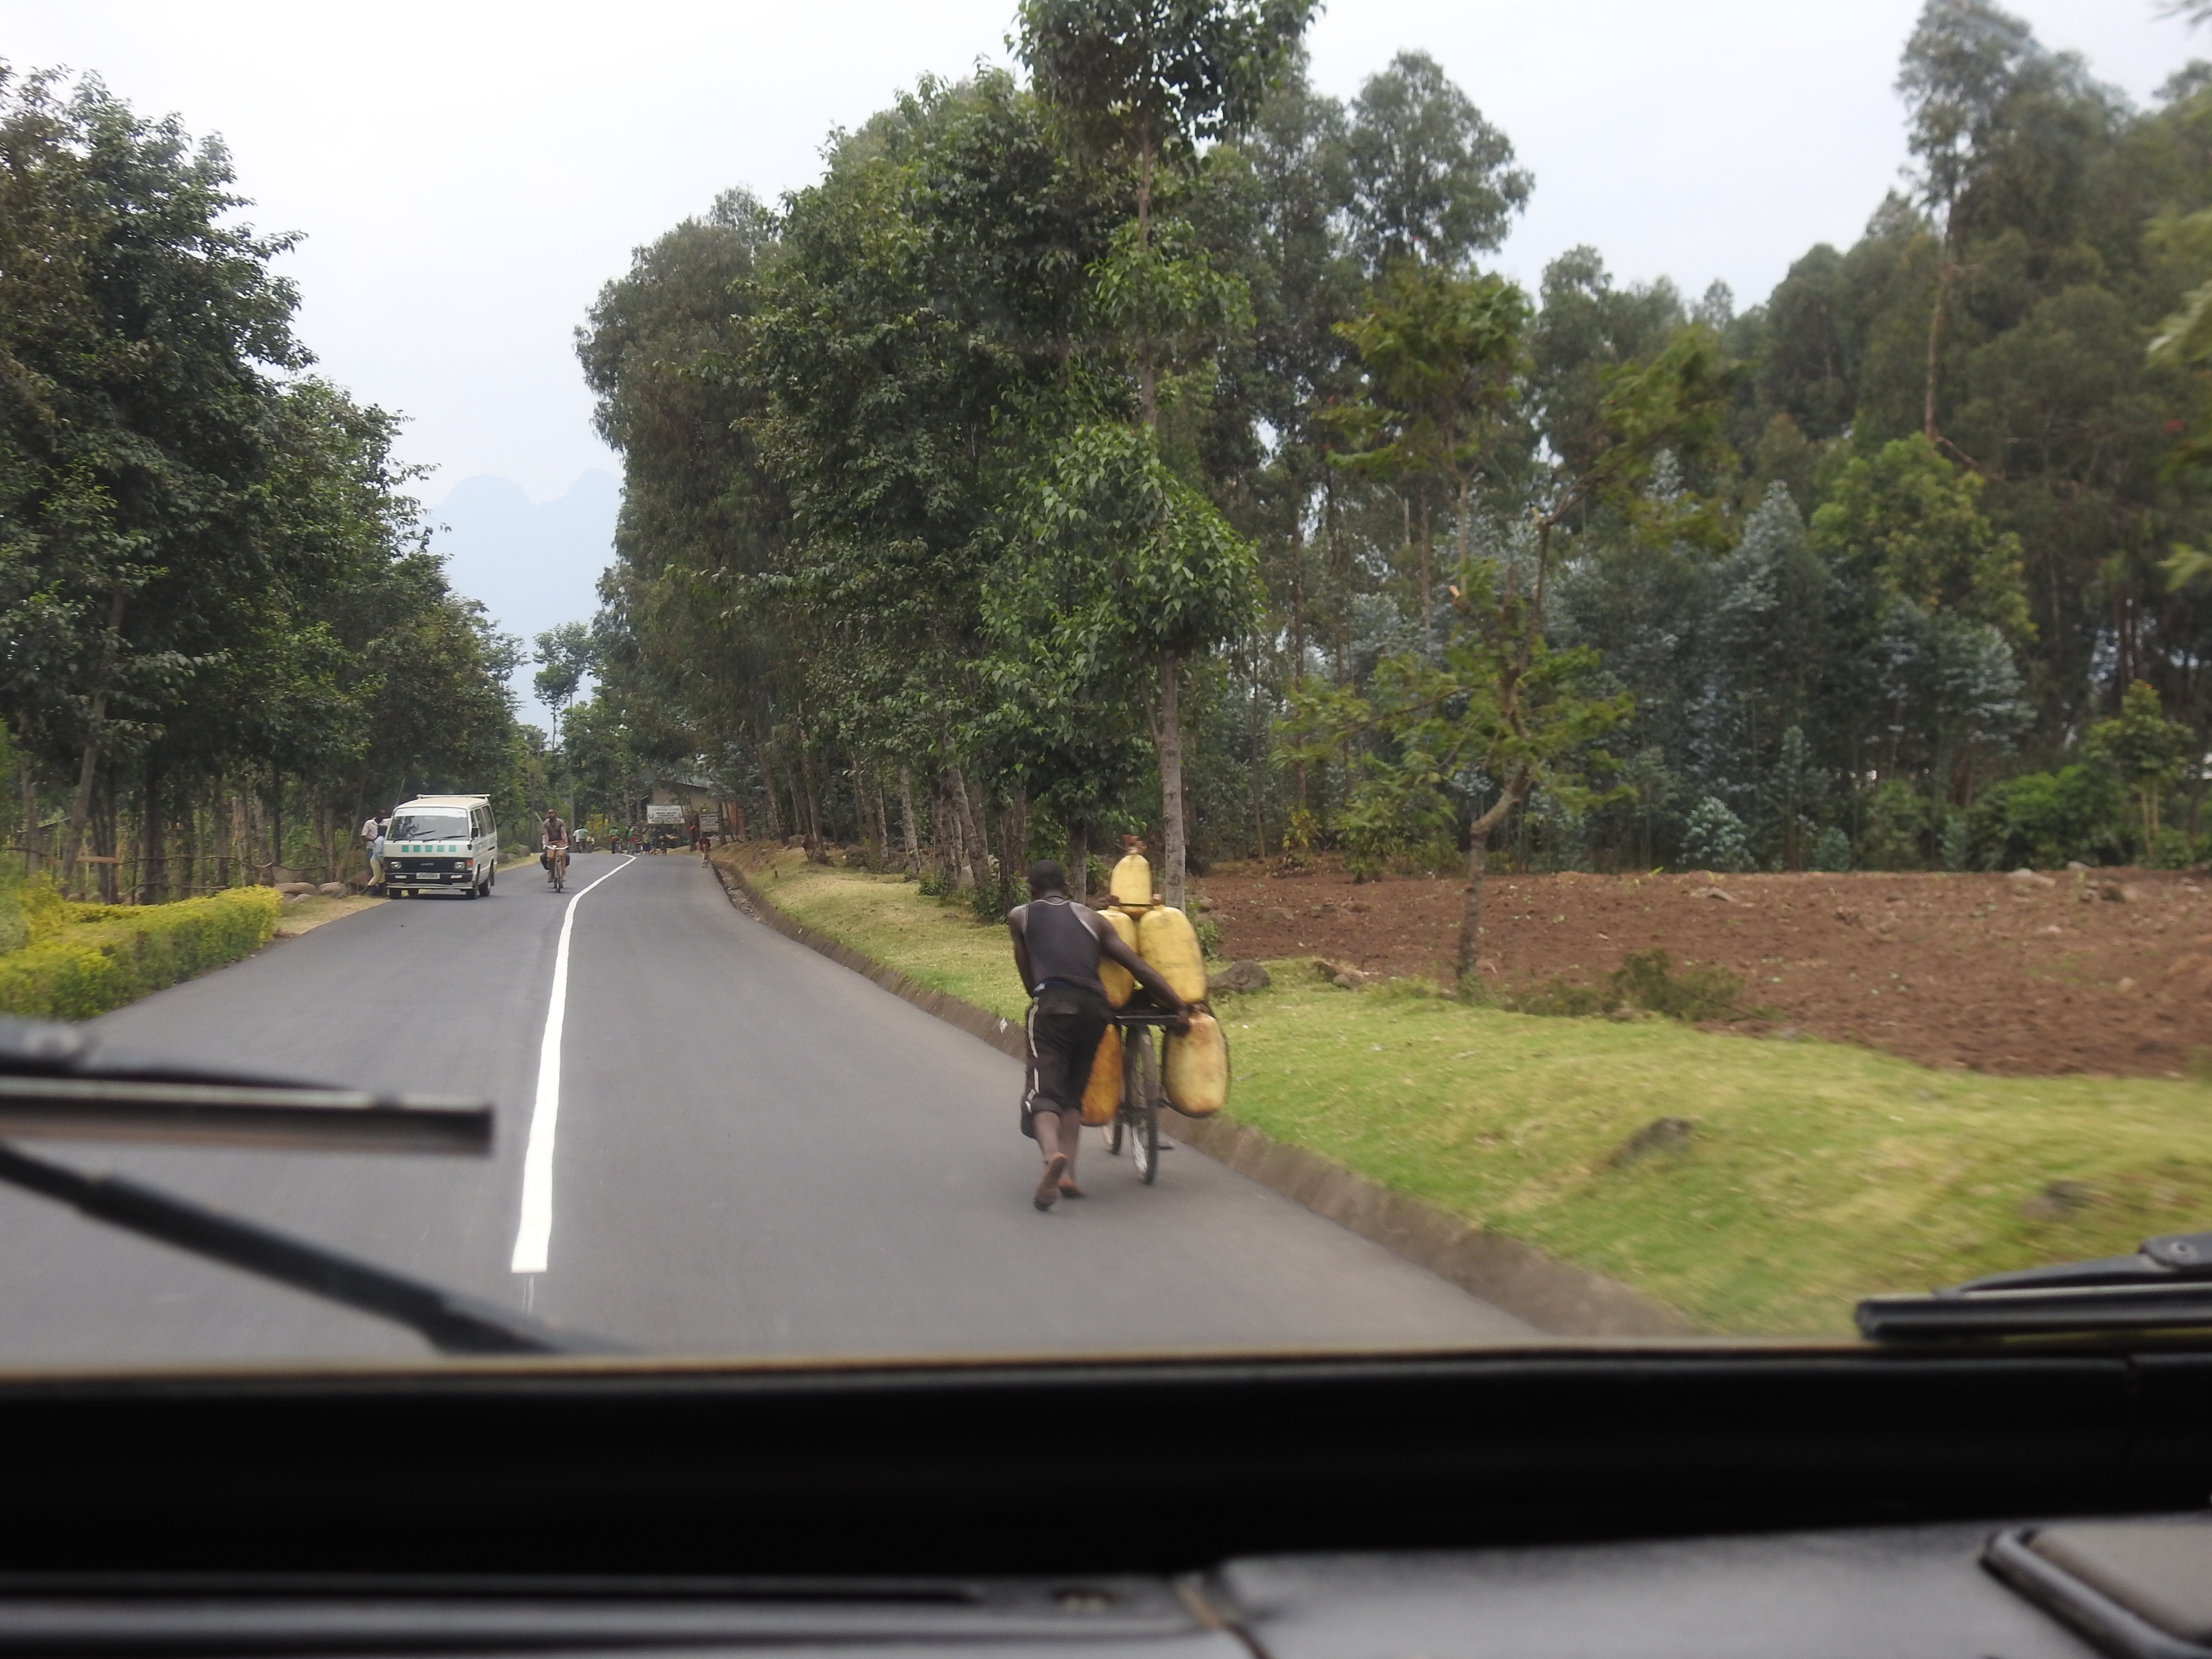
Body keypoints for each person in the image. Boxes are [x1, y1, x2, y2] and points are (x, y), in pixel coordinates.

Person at [1008, 859, 1189, 1212]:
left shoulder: (1020, 916)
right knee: (1074, 1095)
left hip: (1053, 1005)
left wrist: (1043, 993)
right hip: (1096, 1009)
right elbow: (1136, 966)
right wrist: (1178, 1005)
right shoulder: (1094, 919)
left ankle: (1051, 1158)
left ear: (1031, 890)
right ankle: (1068, 1175)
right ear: (1067, 886)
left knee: (1042, 1093)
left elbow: (1029, 977)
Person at [541, 809, 569, 883]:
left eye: (552, 813)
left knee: (562, 855)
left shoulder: (561, 822)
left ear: (556, 814)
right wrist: (546, 845)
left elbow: (563, 833)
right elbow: (546, 835)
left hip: (560, 842)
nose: (551, 815)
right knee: (550, 857)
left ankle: (563, 874)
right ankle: (551, 873)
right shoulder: (546, 824)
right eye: (549, 813)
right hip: (551, 843)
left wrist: (566, 843)